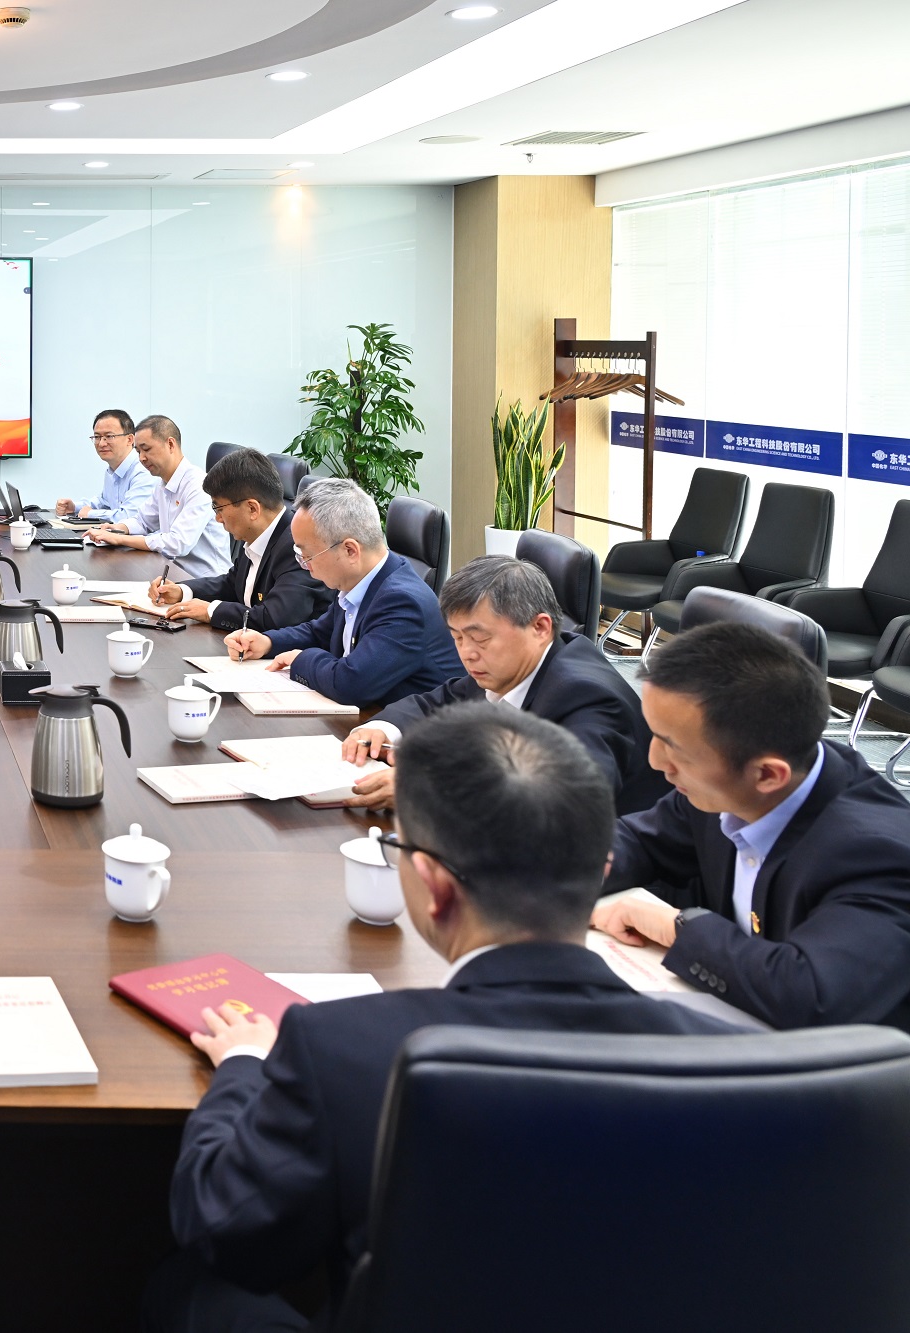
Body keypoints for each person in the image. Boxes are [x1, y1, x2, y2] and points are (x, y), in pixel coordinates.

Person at [149, 706, 744, 1333]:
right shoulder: (729, 1063)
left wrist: (242, 1068)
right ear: (601, 869)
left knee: (188, 1289)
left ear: (433, 886)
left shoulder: (340, 1051)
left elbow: (222, 1229)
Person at [592, 622, 910, 1030]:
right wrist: (566, 869)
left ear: (767, 775)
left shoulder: (879, 857)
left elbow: (811, 994)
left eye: (674, 748)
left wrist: (679, 929)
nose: (655, 761)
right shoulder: (728, 781)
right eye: (656, 735)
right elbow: (642, 840)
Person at [341, 555, 667, 814]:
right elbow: (437, 702)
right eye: (457, 638)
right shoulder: (508, 667)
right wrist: (382, 728)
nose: (467, 653)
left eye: (480, 638)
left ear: (540, 627)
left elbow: (566, 800)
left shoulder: (586, 697)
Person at [222, 480, 462, 709]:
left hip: (414, 731)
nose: (304, 565)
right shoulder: (360, 581)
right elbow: (320, 632)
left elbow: (351, 684)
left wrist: (301, 659)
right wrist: (268, 642)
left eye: (307, 555)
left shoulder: (402, 603)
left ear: (350, 550)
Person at [146, 447, 328, 633]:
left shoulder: (297, 545)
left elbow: (275, 618)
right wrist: (183, 591)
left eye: (219, 509)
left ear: (252, 509)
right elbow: (233, 583)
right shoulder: (257, 534)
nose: (217, 518)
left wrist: (211, 611)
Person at [83, 415, 231, 580]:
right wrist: (116, 528)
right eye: (138, 451)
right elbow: (142, 521)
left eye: (146, 449)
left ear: (170, 444)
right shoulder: (163, 484)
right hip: (173, 574)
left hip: (206, 581)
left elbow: (177, 543)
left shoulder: (198, 484)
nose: (141, 458)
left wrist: (120, 539)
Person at [55, 409, 156, 523]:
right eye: (97, 437)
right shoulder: (113, 469)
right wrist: (74, 507)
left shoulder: (143, 471)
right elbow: (104, 502)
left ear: (129, 439)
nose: (102, 443)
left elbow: (131, 517)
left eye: (109, 436)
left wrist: (90, 514)